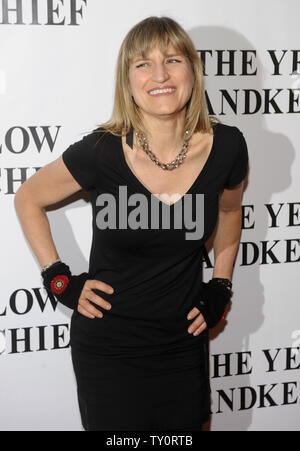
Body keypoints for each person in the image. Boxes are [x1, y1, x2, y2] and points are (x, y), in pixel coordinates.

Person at [14, 16, 249, 431]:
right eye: (143, 64)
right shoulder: (101, 151)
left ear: (192, 70)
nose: (160, 75)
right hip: (109, 348)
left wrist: (221, 284)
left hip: (181, 344)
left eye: (173, 60)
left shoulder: (227, 146)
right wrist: (59, 280)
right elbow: (28, 198)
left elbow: (230, 211)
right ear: (127, 79)